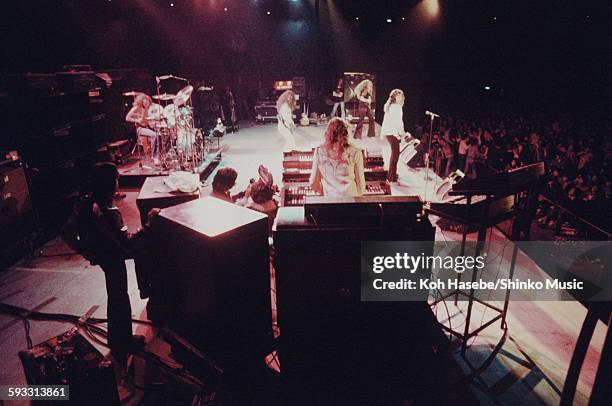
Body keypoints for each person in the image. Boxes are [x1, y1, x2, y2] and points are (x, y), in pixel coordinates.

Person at [310, 117, 366, 197]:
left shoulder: (319, 151)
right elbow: (361, 186)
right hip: (350, 202)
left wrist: (324, 195)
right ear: (346, 133)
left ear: (328, 133)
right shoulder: (356, 152)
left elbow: (312, 183)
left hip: (329, 203)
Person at [380, 89, 411, 184]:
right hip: (393, 133)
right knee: (395, 156)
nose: (402, 98)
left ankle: (391, 175)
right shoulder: (397, 107)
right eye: (400, 96)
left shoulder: (390, 106)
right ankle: (391, 177)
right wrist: (403, 134)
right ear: (396, 97)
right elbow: (399, 123)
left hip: (389, 133)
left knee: (394, 155)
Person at [125, 93, 160, 163]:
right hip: (140, 128)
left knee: (158, 134)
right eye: (145, 101)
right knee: (154, 135)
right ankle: (154, 156)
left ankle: (156, 155)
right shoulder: (136, 107)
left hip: (146, 127)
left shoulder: (146, 109)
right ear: (141, 101)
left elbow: (145, 120)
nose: (147, 102)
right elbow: (127, 118)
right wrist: (136, 120)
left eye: (148, 101)